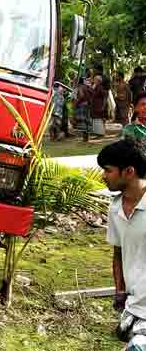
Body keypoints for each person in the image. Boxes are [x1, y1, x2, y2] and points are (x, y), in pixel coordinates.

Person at [98, 139, 146, 350]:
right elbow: (118, 253)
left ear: (129, 171)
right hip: (134, 306)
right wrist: (120, 291)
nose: (103, 176)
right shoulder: (115, 208)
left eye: (108, 170)